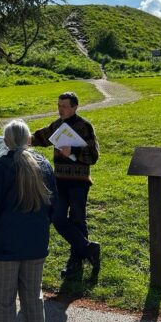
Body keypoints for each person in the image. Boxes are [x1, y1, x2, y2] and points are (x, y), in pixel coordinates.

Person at [0, 119, 57, 322]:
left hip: (4, 245)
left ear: (6, 141)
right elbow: (54, 204)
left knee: (4, 302)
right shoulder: (44, 166)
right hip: (35, 242)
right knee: (34, 300)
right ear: (29, 139)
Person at [31, 92, 101, 278]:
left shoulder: (85, 126)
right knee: (57, 217)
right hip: (59, 182)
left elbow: (93, 157)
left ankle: (74, 265)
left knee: (78, 220)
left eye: (64, 106)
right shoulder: (57, 125)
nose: (60, 109)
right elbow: (41, 137)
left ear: (75, 107)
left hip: (79, 183)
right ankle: (88, 249)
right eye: (59, 105)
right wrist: (23, 139)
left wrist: (74, 151)